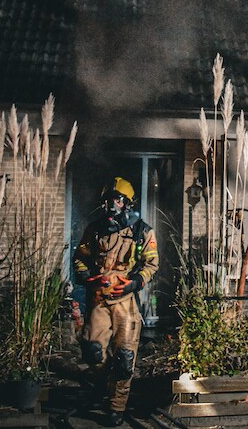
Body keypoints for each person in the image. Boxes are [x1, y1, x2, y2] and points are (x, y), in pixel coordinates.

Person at [72, 177, 159, 427]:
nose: (112, 205)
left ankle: (116, 406)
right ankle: (107, 386)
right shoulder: (94, 229)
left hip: (126, 302)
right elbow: (80, 258)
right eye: (109, 200)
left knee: (124, 358)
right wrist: (88, 278)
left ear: (128, 203)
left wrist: (134, 283)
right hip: (98, 299)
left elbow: (151, 264)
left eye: (118, 200)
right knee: (92, 350)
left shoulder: (142, 231)